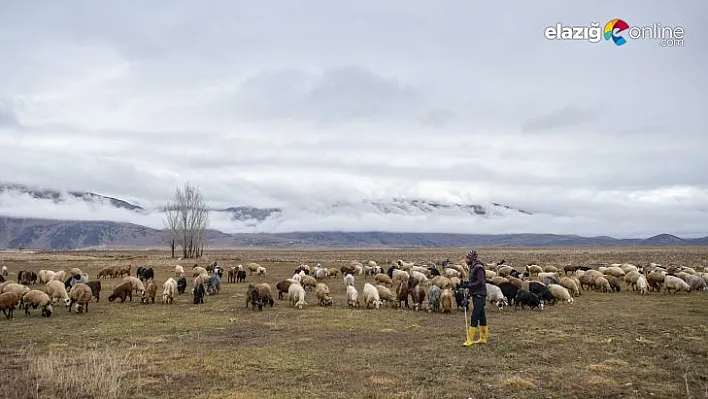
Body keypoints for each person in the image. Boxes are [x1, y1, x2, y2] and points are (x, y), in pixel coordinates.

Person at [459, 250, 488, 346]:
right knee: (481, 316)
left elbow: (481, 282)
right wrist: (467, 295)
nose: (466, 260)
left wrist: (468, 285)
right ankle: (483, 338)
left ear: (472, 259)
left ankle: (470, 339)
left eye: (467, 258)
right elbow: (474, 283)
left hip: (480, 294)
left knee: (475, 316)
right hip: (476, 294)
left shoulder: (479, 268)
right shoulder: (473, 267)